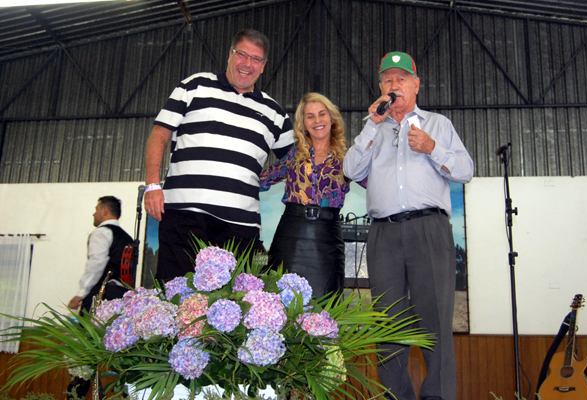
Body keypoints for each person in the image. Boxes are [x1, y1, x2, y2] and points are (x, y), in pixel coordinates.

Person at [343, 52, 474, 400]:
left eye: (401, 79)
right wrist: (372, 123)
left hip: (428, 229)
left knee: (435, 323)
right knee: (388, 325)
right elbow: (350, 170)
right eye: (387, 79)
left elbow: (465, 170)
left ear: (416, 85)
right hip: (383, 233)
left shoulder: (438, 124)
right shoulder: (374, 129)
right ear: (381, 87)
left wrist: (432, 148)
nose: (394, 85)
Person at [143, 29, 294, 282]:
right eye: (242, 54)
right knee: (175, 294)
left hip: (241, 226)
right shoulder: (194, 86)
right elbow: (159, 134)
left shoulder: (274, 113)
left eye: (256, 59)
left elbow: (298, 160)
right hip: (184, 216)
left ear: (264, 66)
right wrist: (152, 185)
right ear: (229, 55)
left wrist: (264, 179)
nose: (247, 64)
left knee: (237, 306)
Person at [260, 92, 364, 298]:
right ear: (303, 123)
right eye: (310, 116)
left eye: (322, 114)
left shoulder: (348, 160)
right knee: (280, 304)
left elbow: (376, 184)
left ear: (331, 118)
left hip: (326, 242)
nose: (317, 120)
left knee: (325, 306)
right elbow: (262, 180)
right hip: (290, 238)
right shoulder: (293, 155)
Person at [67, 195, 133, 400]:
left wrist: (81, 292)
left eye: (96, 209)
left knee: (84, 353)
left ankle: (77, 395)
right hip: (121, 297)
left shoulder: (102, 232)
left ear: (105, 211)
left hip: (100, 296)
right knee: (117, 351)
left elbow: (96, 263)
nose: (94, 213)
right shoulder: (127, 238)